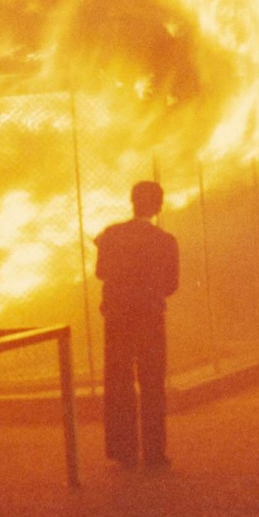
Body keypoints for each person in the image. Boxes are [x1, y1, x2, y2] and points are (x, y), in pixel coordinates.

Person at [95, 180, 179, 469]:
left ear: (132, 202)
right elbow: (171, 285)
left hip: (117, 318)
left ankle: (124, 451)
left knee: (119, 381)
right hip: (150, 318)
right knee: (152, 383)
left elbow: (100, 272)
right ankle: (154, 454)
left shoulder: (111, 234)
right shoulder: (166, 241)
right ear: (157, 206)